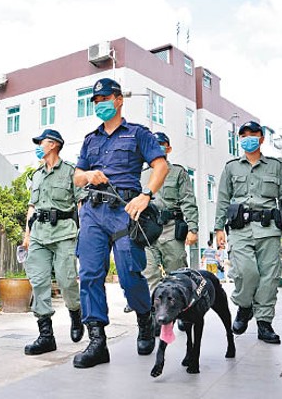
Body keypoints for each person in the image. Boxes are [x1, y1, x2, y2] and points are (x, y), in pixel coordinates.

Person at [72, 78, 169, 368]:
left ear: (118, 99)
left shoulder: (138, 134)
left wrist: (146, 195)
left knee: (129, 273)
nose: (100, 105)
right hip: (92, 210)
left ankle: (143, 316)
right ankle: (97, 341)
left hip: (126, 211)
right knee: (89, 274)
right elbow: (77, 175)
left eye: (105, 99)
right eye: (96, 101)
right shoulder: (91, 139)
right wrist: (89, 176)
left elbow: (160, 166)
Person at [214, 120, 282, 345]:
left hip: (268, 229)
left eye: (253, 134)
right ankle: (244, 306)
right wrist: (218, 228)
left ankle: (264, 323)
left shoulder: (275, 166)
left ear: (261, 138)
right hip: (240, 229)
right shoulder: (231, 167)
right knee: (245, 271)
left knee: (269, 278)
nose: (248, 138)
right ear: (239, 139)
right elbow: (223, 199)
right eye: (244, 135)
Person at [22, 129, 85, 355]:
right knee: (38, 282)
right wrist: (27, 235)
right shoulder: (37, 175)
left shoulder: (70, 171)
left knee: (67, 280)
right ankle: (46, 335)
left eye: (42, 142)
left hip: (64, 233)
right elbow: (32, 206)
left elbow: (81, 203)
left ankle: (76, 313)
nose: (38, 146)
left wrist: (84, 232)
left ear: (54, 145)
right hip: (38, 234)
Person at [141, 132, 199, 289]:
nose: (156, 147)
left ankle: (181, 312)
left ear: (168, 148)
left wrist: (193, 228)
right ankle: (154, 312)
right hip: (148, 231)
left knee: (177, 276)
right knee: (149, 275)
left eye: (160, 144)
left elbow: (188, 201)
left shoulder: (178, 172)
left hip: (171, 230)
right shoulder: (141, 175)